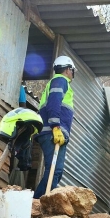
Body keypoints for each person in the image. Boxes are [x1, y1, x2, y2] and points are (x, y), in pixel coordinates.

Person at [33, 55, 76, 199]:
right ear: (68, 69)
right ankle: (37, 203)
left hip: (52, 132)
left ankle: (38, 202)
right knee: (54, 170)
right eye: (72, 70)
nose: (72, 74)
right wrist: (56, 126)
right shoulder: (61, 80)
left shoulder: (57, 82)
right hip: (53, 132)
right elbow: (53, 103)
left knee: (56, 171)